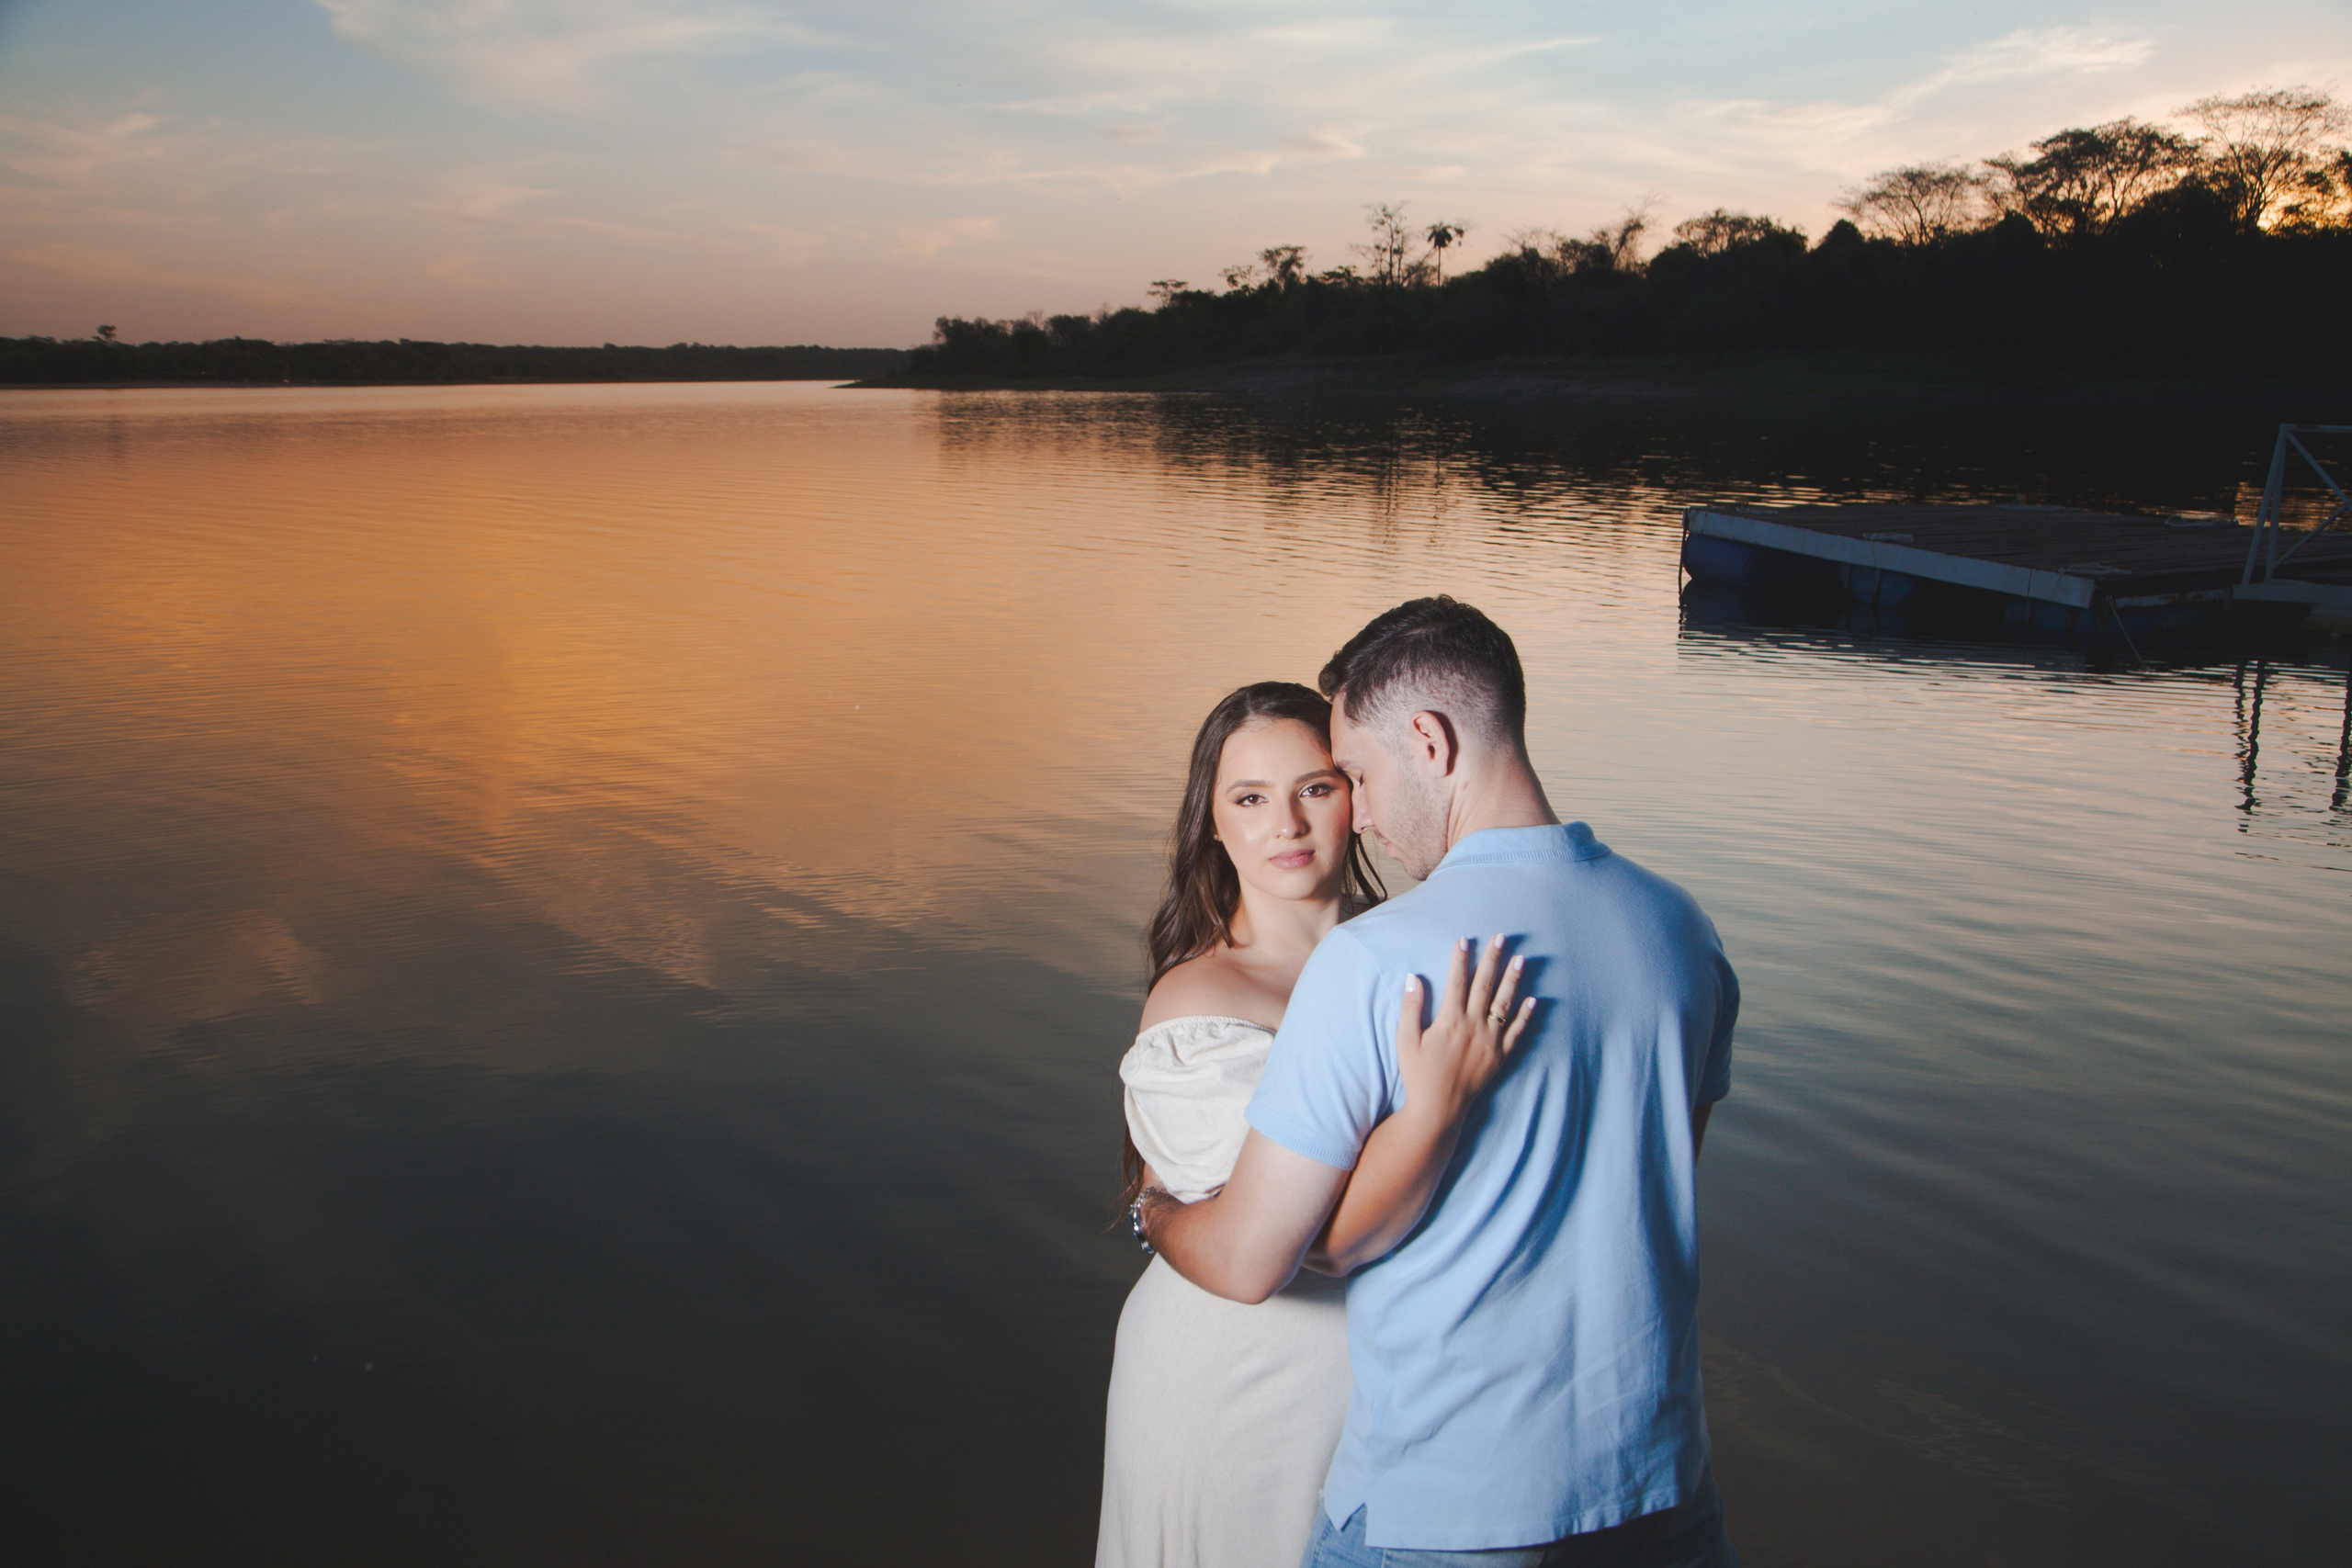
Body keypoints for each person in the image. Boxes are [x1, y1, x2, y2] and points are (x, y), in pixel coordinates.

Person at [1138, 599, 1740, 1568]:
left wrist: (1160, 1211)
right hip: (1657, 1487)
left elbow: (1268, 1256)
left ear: (1429, 741)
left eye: (1354, 776)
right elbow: (1651, 1184)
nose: (1363, 814)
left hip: (1453, 1502)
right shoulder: (1679, 928)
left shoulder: (1377, 960)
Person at [1097, 682, 1536, 1568]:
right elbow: (1298, 1240)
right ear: (1212, 824)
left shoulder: (1414, 949)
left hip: (1385, 1386)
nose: (1287, 825)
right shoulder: (1199, 999)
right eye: (1250, 799)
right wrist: (1435, 1106)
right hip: (1236, 1371)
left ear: (1357, 795)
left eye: (1315, 787)